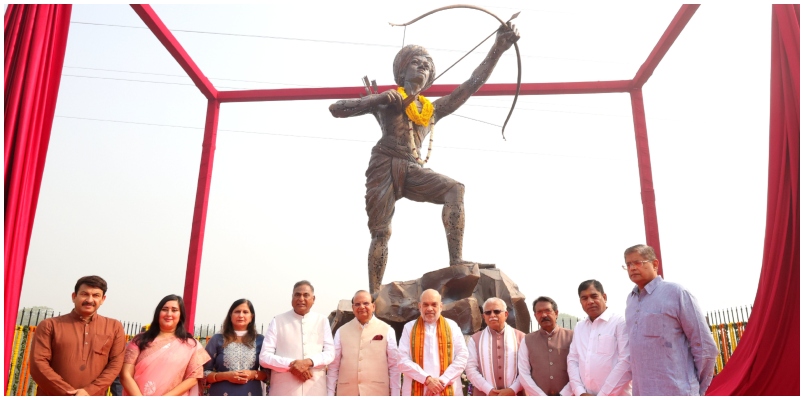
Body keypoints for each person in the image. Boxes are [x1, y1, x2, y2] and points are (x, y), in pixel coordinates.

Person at [329, 22, 520, 293]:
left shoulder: (432, 110)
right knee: (381, 232)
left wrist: (498, 48)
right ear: (402, 70)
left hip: (412, 167)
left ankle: (456, 259)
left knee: (455, 189)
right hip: (384, 164)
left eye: (427, 66)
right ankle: (373, 293)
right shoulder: (388, 99)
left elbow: (470, 86)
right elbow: (337, 109)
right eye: (416, 63)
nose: (422, 67)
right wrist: (377, 99)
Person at [623, 244, 718, 395]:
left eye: (638, 262)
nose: (632, 268)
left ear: (655, 264)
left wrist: (696, 388)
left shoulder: (676, 293)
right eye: (628, 264)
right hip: (642, 391)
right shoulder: (631, 300)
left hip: (677, 390)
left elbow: (705, 347)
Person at [29, 275, 126, 396]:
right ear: (74, 297)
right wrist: (69, 393)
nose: (90, 300)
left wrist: (89, 391)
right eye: (84, 294)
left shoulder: (114, 327)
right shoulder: (50, 325)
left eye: (96, 295)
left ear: (103, 299)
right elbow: (38, 364)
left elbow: (115, 365)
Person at [120, 294, 210, 396]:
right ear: (158, 313)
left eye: (174, 310)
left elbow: (193, 378)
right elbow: (125, 374)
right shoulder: (139, 340)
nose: (169, 314)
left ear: (181, 315)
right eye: (165, 309)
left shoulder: (191, 345)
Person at [259, 280, 335, 395]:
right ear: (292, 298)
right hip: (283, 389)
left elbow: (330, 353)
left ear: (313, 299)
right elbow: (264, 357)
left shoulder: (322, 320)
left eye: (306, 295)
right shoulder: (278, 320)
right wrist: (292, 365)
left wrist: (309, 362)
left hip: (315, 389)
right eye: (297, 295)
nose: (301, 299)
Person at [326, 290, 401, 396]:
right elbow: (333, 367)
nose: (361, 307)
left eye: (365, 303)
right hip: (347, 392)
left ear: (373, 306)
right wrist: (330, 394)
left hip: (377, 392)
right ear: (353, 308)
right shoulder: (341, 331)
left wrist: (395, 395)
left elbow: (394, 367)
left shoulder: (387, 330)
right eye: (357, 304)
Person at [398, 289, 468, 396]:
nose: (429, 308)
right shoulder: (409, 328)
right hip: (416, 389)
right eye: (425, 305)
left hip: (447, 387)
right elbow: (402, 359)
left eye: (434, 305)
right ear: (419, 306)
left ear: (441, 306)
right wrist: (427, 379)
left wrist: (442, 381)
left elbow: (462, 356)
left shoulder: (452, 326)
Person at [567, 280, 631, 396]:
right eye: (584, 298)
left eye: (594, 296)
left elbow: (626, 361)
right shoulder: (579, 327)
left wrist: (602, 396)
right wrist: (580, 392)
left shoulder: (619, 322)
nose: (590, 302)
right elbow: (573, 360)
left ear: (604, 297)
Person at [204, 299, 268, 396]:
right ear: (230, 315)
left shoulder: (260, 340)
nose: (241, 315)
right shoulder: (217, 339)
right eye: (237, 311)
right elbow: (203, 372)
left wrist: (252, 374)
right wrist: (225, 376)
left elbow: (268, 374)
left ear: (252, 317)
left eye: (245, 312)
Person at [466, 297, 526, 396]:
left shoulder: (521, 338)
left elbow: (526, 369)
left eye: (497, 311)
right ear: (484, 316)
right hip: (484, 394)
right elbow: (470, 369)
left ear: (506, 314)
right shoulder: (475, 340)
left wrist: (512, 390)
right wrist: (489, 390)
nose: (492, 315)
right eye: (488, 313)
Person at [517, 296, 573, 396]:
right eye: (539, 312)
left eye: (548, 310)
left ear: (556, 313)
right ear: (535, 316)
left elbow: (578, 370)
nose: (543, 315)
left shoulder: (572, 337)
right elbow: (523, 373)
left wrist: (564, 395)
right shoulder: (527, 340)